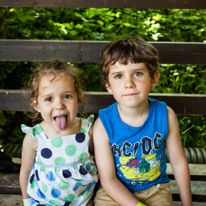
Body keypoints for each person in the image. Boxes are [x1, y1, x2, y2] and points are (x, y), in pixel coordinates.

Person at [93, 37, 192, 206]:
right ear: (108, 85)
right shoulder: (103, 125)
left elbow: (178, 162)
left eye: (137, 73)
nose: (129, 84)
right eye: (118, 76)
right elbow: (108, 179)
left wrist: (187, 204)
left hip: (156, 189)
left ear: (153, 79)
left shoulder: (165, 115)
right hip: (114, 193)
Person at [19, 61, 98, 206]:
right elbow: (26, 170)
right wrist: (26, 201)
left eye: (67, 96)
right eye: (49, 99)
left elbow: (100, 162)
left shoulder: (88, 130)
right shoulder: (35, 136)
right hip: (45, 201)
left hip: (82, 199)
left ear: (79, 98)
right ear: (36, 104)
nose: (59, 105)